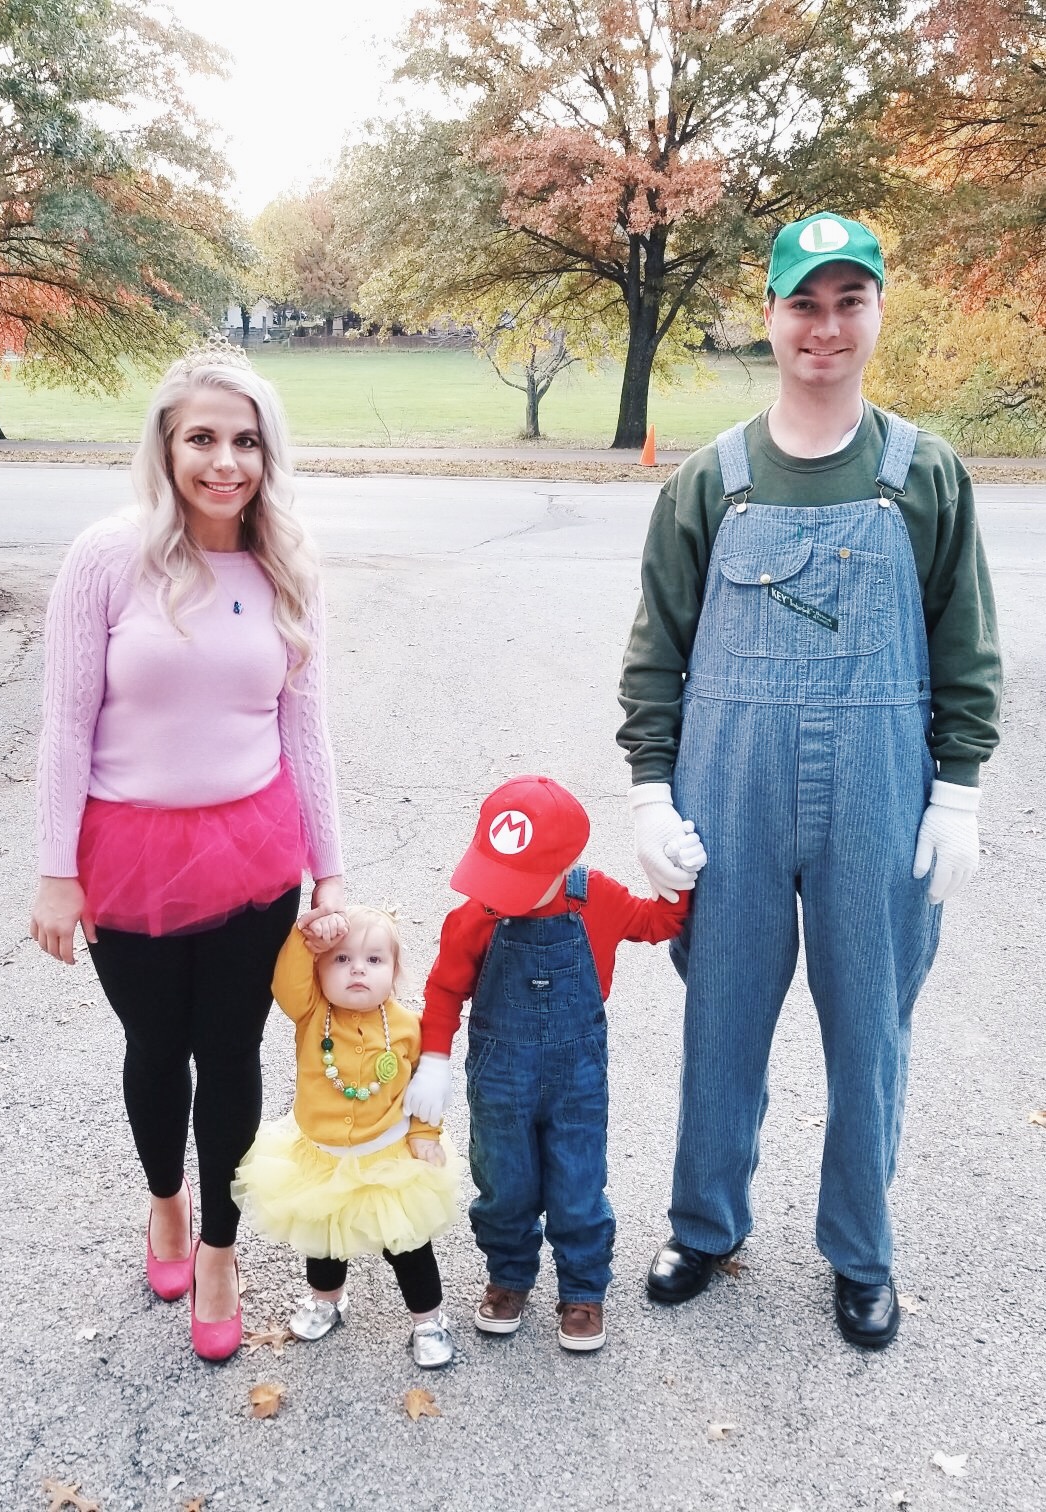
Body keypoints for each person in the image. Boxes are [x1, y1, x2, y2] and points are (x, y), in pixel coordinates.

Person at [617, 212, 1003, 1348]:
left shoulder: (921, 474)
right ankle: (704, 1223)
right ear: (769, 317)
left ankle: (860, 1248)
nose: (824, 327)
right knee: (722, 1019)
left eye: (848, 301)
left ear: (877, 314)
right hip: (727, 785)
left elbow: (964, 645)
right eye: (803, 303)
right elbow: (657, 649)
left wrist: (960, 789)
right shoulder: (711, 482)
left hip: (881, 790)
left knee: (869, 1027)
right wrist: (649, 789)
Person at [30, 343, 345, 1362]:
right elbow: (64, 723)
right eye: (201, 439)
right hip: (127, 856)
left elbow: (307, 730)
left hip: (254, 854)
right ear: (166, 449)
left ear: (267, 453)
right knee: (156, 1050)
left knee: (234, 1054)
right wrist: (53, 869)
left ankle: (218, 1246)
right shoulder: (107, 559)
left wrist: (330, 869)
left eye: (244, 441)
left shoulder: (284, 563)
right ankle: (165, 1202)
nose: (225, 462)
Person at [402, 775, 705, 1353]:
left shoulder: (598, 900)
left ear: (560, 867)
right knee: (503, 1183)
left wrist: (677, 878)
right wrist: (434, 1059)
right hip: (499, 1078)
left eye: (511, 880)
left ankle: (584, 1288)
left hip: (577, 1079)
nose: (494, 893)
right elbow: (444, 990)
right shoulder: (476, 917)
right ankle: (509, 1276)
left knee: (579, 1184)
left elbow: (659, 922)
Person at [232, 908, 463, 1368]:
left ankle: (428, 1320)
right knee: (325, 1240)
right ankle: (327, 1300)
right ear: (319, 972)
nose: (358, 969)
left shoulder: (407, 1028)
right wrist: (306, 938)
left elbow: (425, 1090)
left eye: (375, 960)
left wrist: (424, 1133)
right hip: (323, 1159)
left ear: (394, 974)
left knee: (409, 1246)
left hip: (388, 1157)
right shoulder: (311, 1012)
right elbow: (286, 981)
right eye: (340, 960)